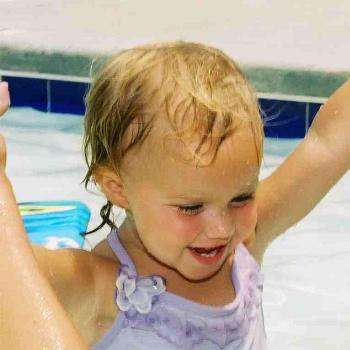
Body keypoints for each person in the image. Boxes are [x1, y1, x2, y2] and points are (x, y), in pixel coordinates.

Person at [0, 41, 349, 349]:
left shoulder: (243, 247)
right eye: (191, 207)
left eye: (241, 197)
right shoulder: (99, 285)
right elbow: (11, 272)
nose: (221, 228)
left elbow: (326, 143)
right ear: (118, 189)